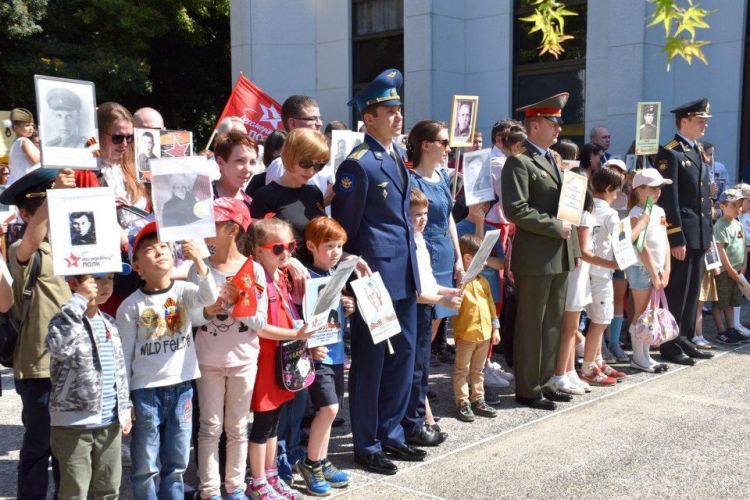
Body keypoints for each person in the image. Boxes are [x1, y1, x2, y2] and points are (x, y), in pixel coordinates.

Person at [332, 68, 424, 474]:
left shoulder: (394, 158)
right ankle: (366, 444)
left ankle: (392, 434)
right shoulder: (359, 165)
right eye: (389, 110)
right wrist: (353, 277)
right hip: (373, 277)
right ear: (368, 117)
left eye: (398, 109)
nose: (397, 117)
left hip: (403, 274)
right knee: (371, 363)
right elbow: (346, 232)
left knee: (402, 357)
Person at [116, 221, 218, 499]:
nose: (159, 251)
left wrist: (199, 260)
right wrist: (125, 402)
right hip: (146, 392)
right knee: (146, 466)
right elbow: (123, 356)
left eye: (163, 246)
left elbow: (210, 296)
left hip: (183, 387)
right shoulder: (130, 306)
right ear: (136, 266)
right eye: (149, 249)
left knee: (177, 463)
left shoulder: (183, 292)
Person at [501, 92, 579, 411]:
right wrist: (553, 226)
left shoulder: (553, 160)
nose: (559, 128)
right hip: (535, 254)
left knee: (552, 322)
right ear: (534, 126)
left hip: (559, 252)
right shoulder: (519, 162)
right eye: (553, 122)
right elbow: (516, 209)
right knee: (532, 324)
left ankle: (546, 381)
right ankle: (528, 388)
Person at [1, 168, 76, 499]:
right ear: (26, 214)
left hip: (75, 364)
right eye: (48, 207)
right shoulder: (22, 248)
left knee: (67, 451)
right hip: (39, 367)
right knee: (37, 448)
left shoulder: (75, 245)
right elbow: (32, 239)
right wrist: (56, 195)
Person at [189, 198, 266, 500]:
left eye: (213, 223)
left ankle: (235, 487)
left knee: (237, 428)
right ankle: (209, 490)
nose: (205, 229)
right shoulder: (200, 268)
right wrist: (210, 310)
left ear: (233, 228)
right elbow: (193, 316)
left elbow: (260, 320)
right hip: (207, 358)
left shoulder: (253, 270)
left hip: (244, 359)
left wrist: (237, 304)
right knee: (209, 427)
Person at [46, 268, 133, 499]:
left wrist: (124, 408)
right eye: (96, 279)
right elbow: (58, 347)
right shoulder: (64, 318)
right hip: (73, 424)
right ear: (74, 283)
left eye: (110, 279)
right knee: (75, 490)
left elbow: (119, 370)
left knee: (108, 488)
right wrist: (77, 302)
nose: (104, 285)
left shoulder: (110, 323)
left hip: (109, 422)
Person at [247, 217, 311, 499]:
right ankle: (257, 480)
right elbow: (259, 326)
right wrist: (295, 332)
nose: (286, 253)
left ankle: (271, 475)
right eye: (277, 248)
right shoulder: (257, 279)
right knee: (261, 426)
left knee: (274, 424)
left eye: (291, 246)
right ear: (258, 250)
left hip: (281, 360)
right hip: (264, 361)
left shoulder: (281, 276)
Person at [296, 216, 354, 496]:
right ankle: (310, 463)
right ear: (311, 246)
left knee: (330, 412)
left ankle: (321, 459)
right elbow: (303, 317)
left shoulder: (335, 276)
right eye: (329, 246)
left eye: (339, 246)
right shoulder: (306, 277)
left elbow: (335, 315)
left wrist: (347, 306)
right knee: (328, 409)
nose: (335, 252)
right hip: (318, 355)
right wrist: (308, 345)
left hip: (336, 352)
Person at [656, 98, 715, 365]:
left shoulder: (696, 150)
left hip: (699, 234)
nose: (704, 125)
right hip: (683, 235)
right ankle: (671, 346)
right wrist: (676, 237)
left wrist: (707, 235)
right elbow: (670, 200)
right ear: (684, 121)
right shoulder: (670, 152)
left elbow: (703, 199)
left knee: (693, 292)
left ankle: (686, 338)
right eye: (700, 120)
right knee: (678, 291)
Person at [404, 188, 463, 446]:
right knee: (414, 370)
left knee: (421, 367)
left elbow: (428, 282)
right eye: (416, 214)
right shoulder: (407, 243)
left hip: (426, 307)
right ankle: (420, 422)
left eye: (425, 213)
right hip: (416, 310)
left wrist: (446, 290)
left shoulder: (420, 241)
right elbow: (415, 291)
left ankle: (424, 420)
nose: (422, 219)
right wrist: (442, 299)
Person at [251, 128, 328, 267]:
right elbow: (256, 247)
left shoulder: (314, 192)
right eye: (305, 164)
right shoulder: (265, 196)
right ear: (290, 157)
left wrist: (345, 257)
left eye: (319, 165)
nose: (311, 171)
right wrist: (288, 261)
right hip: (284, 279)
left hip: (316, 277)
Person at [580, 167, 628, 386]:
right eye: (616, 191)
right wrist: (641, 224)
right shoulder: (609, 213)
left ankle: (597, 360)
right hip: (601, 272)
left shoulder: (589, 208)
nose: (617, 195)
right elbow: (623, 239)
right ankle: (589, 367)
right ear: (609, 189)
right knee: (600, 321)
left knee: (596, 319)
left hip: (587, 272)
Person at [626, 169, 672, 372]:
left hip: (658, 269)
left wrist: (667, 268)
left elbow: (665, 241)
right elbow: (640, 245)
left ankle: (644, 356)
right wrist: (654, 272)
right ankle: (639, 356)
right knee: (641, 312)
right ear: (640, 190)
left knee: (648, 313)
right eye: (653, 188)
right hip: (641, 269)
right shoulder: (636, 214)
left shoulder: (660, 211)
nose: (658, 192)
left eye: (659, 188)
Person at [452, 233, 500, 421]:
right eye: (482, 259)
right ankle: (462, 401)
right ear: (468, 258)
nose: (485, 263)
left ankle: (478, 398)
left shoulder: (483, 282)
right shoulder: (459, 282)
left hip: (485, 334)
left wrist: (495, 328)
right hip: (466, 334)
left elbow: (491, 307)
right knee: (462, 369)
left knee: (478, 370)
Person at [264, 95, 334, 201]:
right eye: (312, 119)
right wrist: (325, 200)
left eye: (320, 118)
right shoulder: (280, 165)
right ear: (292, 123)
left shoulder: (324, 159)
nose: (319, 123)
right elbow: (282, 208)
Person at [96, 102, 149, 227]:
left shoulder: (134, 166)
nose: (124, 144)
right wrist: (103, 206)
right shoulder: (88, 171)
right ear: (100, 135)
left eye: (129, 137)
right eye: (117, 138)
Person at [711, 189, 749, 345]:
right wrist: (730, 269)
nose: (738, 208)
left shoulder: (738, 225)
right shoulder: (720, 225)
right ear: (723, 206)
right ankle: (721, 331)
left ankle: (731, 328)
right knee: (720, 301)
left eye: (739, 205)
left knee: (733, 301)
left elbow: (743, 247)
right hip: (725, 270)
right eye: (734, 205)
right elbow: (721, 250)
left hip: (737, 270)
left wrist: (743, 266)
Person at [213, 130, 259, 211]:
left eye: (252, 162)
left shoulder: (252, 206)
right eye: (240, 161)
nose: (248, 169)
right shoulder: (202, 198)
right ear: (220, 162)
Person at [8, 107, 40, 185]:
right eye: (27, 125)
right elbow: (35, 160)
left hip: (21, 183)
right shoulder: (24, 140)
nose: (31, 128)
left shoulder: (14, 144)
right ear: (16, 127)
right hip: (31, 183)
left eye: (32, 125)